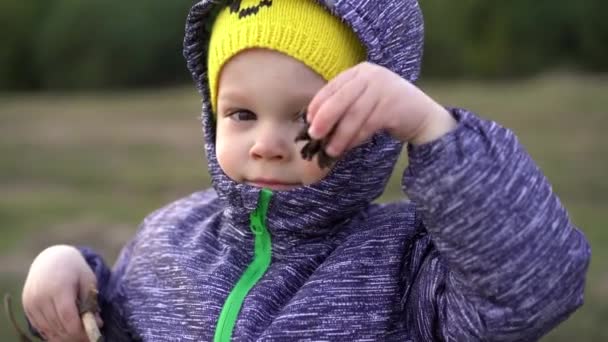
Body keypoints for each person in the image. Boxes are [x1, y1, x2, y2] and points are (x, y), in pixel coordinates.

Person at [21, 0, 590, 341]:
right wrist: (68, 271)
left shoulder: (403, 267)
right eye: (241, 113)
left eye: (307, 116)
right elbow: (119, 323)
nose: (267, 144)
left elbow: (534, 289)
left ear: (373, 128)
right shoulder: (167, 239)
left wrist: (430, 128)